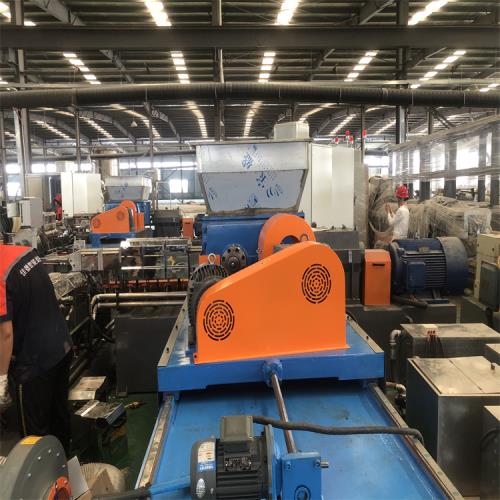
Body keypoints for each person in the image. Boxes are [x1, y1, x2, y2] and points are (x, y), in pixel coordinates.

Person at [0, 244, 73, 452]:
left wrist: (1, 379)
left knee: (34, 436)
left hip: (34, 364)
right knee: (58, 418)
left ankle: (42, 471)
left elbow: (5, 334)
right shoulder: (22, 252)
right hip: (61, 347)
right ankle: (63, 464)